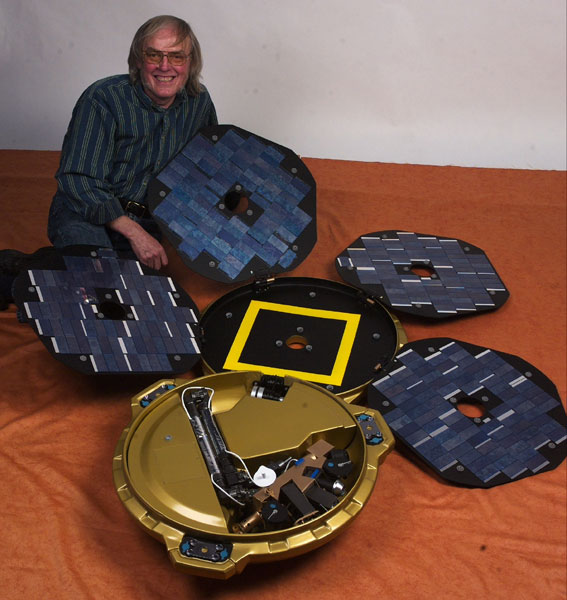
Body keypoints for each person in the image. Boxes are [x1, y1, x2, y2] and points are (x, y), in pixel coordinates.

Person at [0, 15, 217, 307]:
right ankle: (11, 274)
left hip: (151, 223)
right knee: (96, 297)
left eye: (176, 56)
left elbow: (206, 168)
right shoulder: (103, 98)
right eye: (154, 54)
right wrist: (135, 233)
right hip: (84, 214)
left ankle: (40, 263)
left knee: (136, 303)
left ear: (190, 63)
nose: (165, 66)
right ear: (138, 60)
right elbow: (78, 180)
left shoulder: (199, 102)